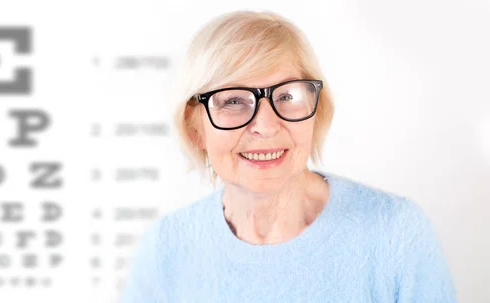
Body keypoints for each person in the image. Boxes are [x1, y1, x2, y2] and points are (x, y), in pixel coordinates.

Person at [120, 10, 457, 302]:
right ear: (195, 129)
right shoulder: (166, 249)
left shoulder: (396, 234)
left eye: (288, 95)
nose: (266, 126)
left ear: (315, 111)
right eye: (233, 101)